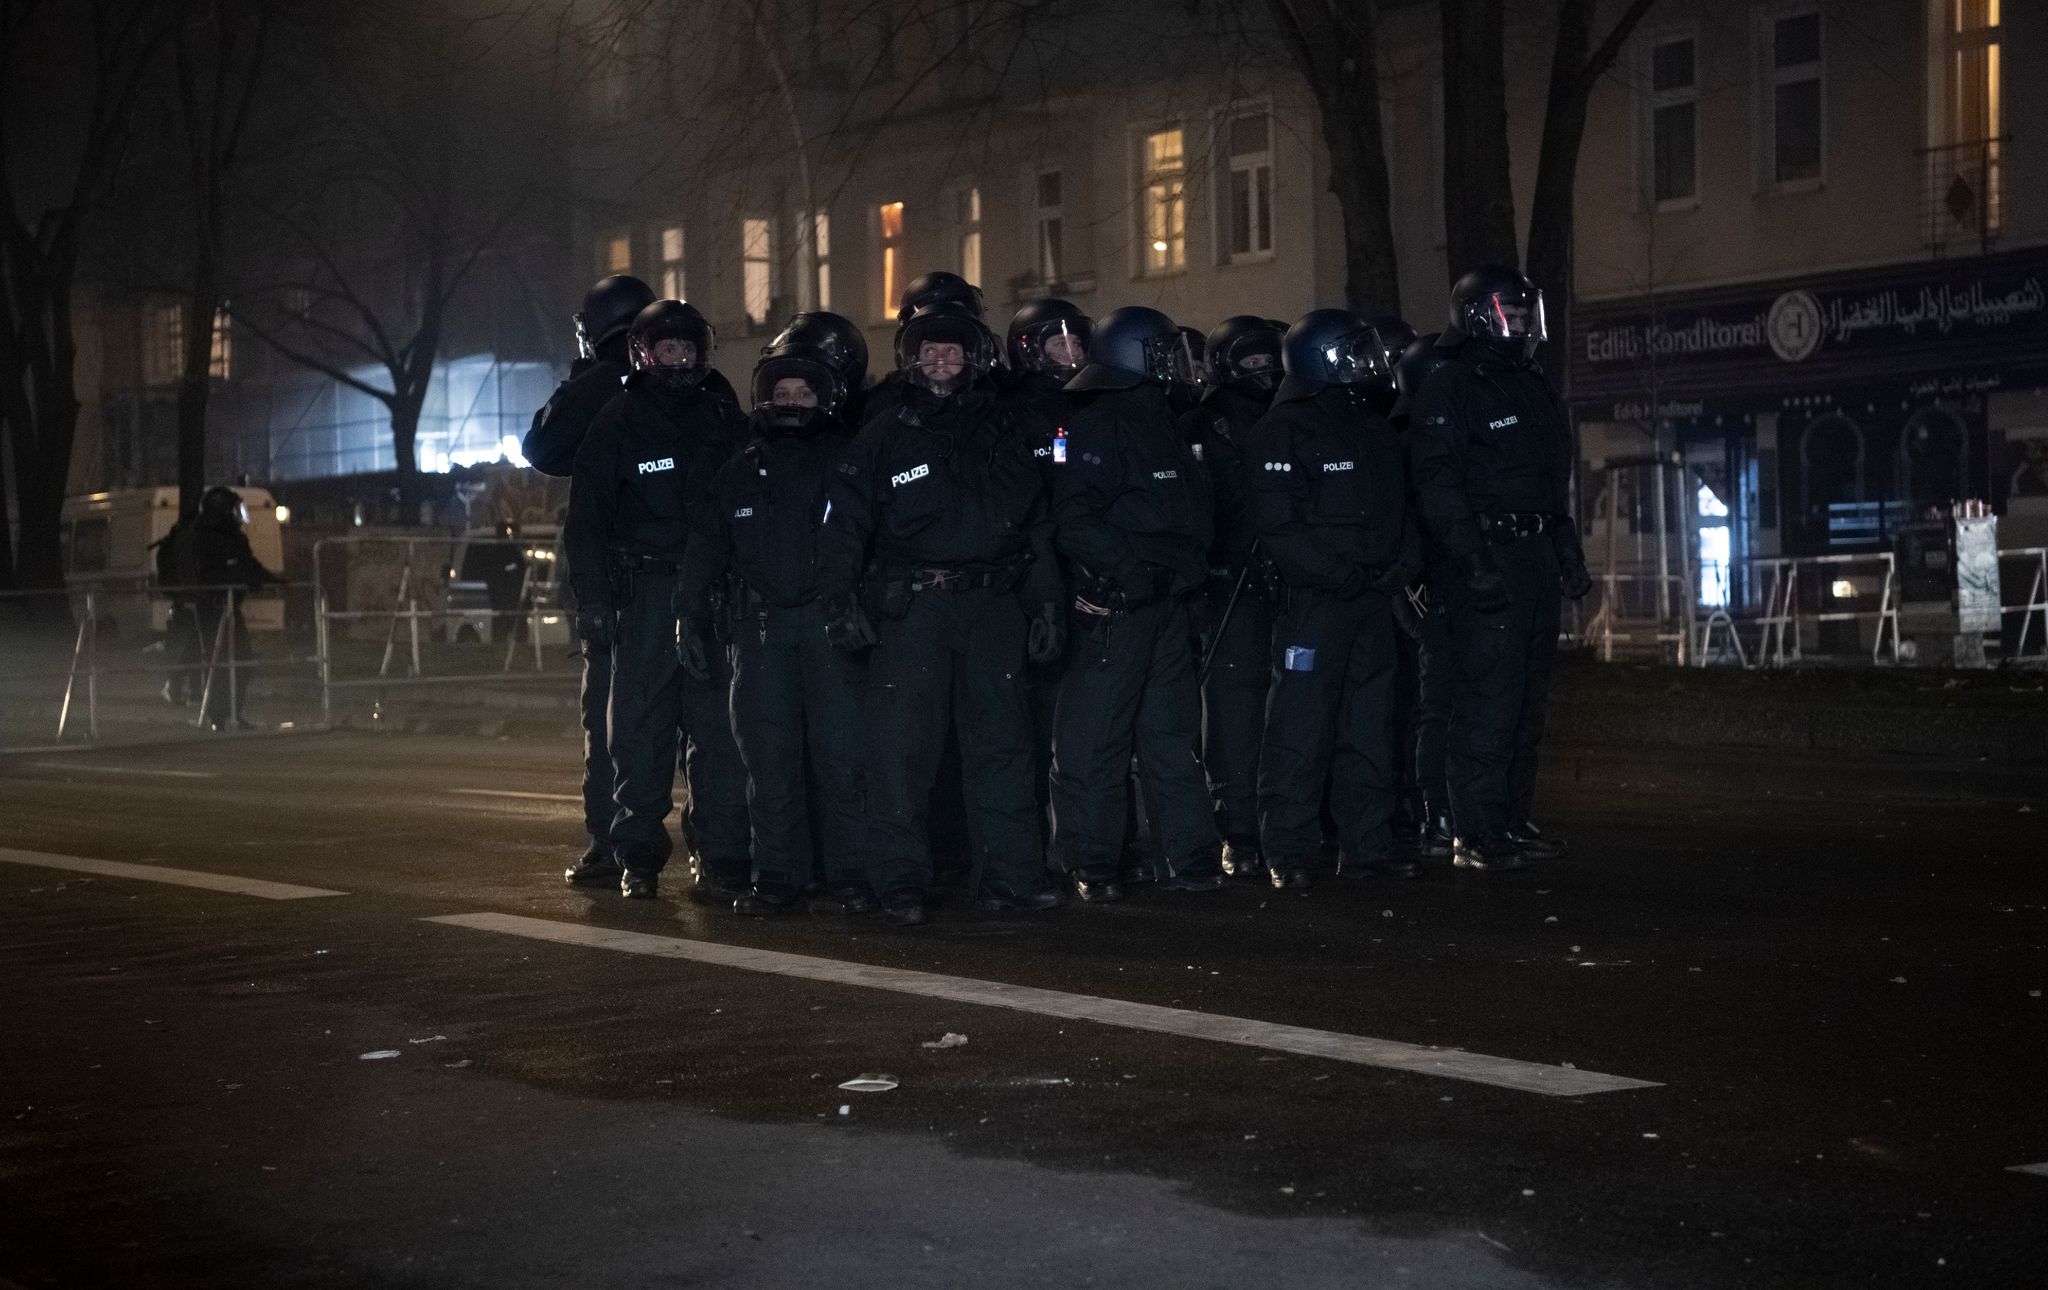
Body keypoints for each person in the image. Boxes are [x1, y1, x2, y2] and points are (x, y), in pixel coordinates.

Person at [818, 301, 1065, 926]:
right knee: (900, 751)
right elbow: (843, 528)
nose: (940, 358)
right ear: (910, 355)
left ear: (973, 356)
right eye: (929, 348)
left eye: (952, 349)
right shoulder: (883, 431)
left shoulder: (1007, 429)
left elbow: (1036, 524)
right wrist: (841, 602)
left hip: (992, 608)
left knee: (1004, 748)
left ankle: (1011, 877)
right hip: (916, 610)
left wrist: (1046, 604)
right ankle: (898, 883)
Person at [681, 330, 874, 917]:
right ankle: (777, 878)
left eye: (804, 392)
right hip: (759, 632)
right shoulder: (738, 473)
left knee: (841, 760)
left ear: (825, 400)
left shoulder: (851, 464)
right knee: (768, 762)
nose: (792, 401)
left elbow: (873, 542)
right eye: (782, 391)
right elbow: (706, 550)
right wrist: (687, 617)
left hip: (829, 628)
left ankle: (849, 878)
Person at [1408, 265, 1592, 871]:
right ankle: (1476, 829)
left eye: (1524, 311)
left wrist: (1565, 549)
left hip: (1533, 555)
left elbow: (1548, 481)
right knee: (1488, 698)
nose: (1521, 322)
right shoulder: (1453, 384)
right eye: (1509, 311)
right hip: (1487, 557)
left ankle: (1511, 820)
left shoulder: (1531, 383)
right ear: (1480, 315)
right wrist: (1471, 561)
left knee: (1527, 703)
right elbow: (1439, 484)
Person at [564, 299, 750, 900]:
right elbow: (586, 521)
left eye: (686, 348)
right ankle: (637, 857)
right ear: (643, 354)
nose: (677, 357)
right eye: (665, 348)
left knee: (717, 734)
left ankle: (718, 855)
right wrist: (592, 600)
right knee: (639, 731)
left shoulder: (723, 421)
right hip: (642, 595)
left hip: (713, 597)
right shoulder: (616, 423)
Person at [1048, 306, 1222, 903]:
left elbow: (1186, 518)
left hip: (1166, 606)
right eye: (1168, 354)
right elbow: (1074, 517)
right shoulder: (1093, 426)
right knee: (1096, 741)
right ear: (1139, 356)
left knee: (1172, 738)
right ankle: (1093, 865)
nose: (1181, 366)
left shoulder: (1162, 422)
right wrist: (1128, 573)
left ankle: (1192, 858)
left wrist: (1187, 579)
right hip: (1118, 607)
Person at [1244, 309, 1422, 890]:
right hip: (1315, 603)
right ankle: (1289, 852)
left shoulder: (1372, 424)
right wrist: (1339, 574)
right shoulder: (1283, 427)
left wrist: (1400, 566)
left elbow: (1402, 510)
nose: (1369, 364)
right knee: (1300, 727)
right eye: (1354, 353)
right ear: (1321, 357)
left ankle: (1366, 846)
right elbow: (1278, 525)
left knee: (1369, 726)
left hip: (1370, 600)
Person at [526, 274, 652, 886]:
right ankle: (719, 850)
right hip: (684, 574)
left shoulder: (598, 383)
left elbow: (541, 448)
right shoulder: (693, 377)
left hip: (616, 579)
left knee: (608, 719)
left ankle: (612, 845)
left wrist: (579, 384)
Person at [1182, 315, 1285, 878]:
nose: (1262, 372)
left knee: (1288, 710)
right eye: (1250, 361)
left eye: (1270, 360)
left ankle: (1284, 824)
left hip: (1284, 577)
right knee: (1233, 714)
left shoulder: (1286, 416)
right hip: (1227, 585)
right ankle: (1238, 829)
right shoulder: (1199, 426)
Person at [999, 297, 1092, 832]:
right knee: (1030, 717)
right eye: (1060, 344)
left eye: (1078, 342)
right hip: (1034, 578)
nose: (1072, 353)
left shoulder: (1090, 404)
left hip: (1086, 571)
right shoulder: (1014, 412)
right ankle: (1030, 834)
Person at [1392, 333, 1458, 860]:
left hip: (1443, 580)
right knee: (1433, 704)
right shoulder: (1409, 439)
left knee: (1446, 702)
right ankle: (1433, 813)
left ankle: (1446, 810)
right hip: (1426, 586)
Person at [187, 485, 282, 732]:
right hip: (212, 607)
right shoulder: (203, 538)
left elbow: (248, 564)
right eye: (233, 510)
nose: (238, 515)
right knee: (217, 661)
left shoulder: (234, 537)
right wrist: (239, 579)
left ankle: (233, 713)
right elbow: (212, 574)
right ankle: (217, 715)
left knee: (242, 661)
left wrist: (269, 579)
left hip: (231, 607)